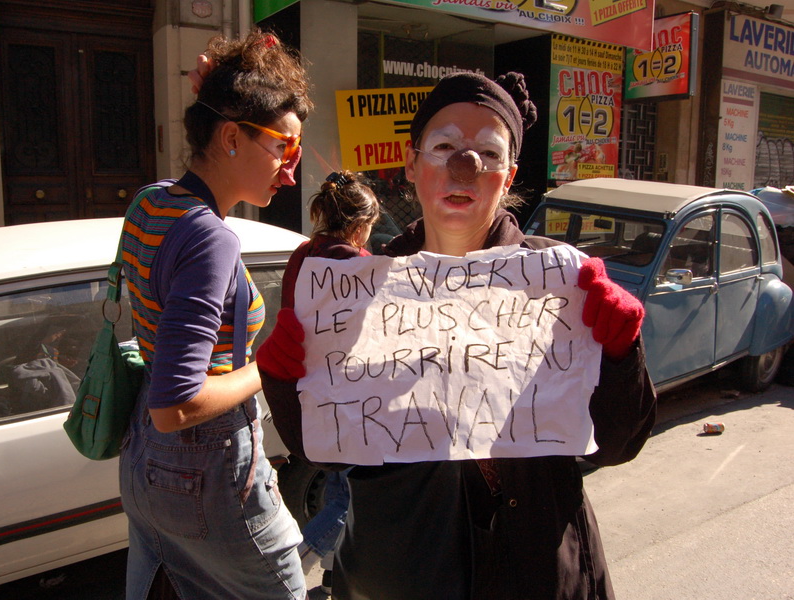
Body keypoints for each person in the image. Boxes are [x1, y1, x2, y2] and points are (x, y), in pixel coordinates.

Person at [256, 71, 657, 600]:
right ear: (412, 162)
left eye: (488, 155)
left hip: (539, 573)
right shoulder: (361, 291)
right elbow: (327, 450)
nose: (464, 166)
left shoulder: (562, 284)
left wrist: (620, 351)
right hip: (407, 572)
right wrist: (285, 378)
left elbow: (617, 445)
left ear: (509, 176)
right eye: (444, 146)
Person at [118, 29, 313, 599]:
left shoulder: (150, 200)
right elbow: (175, 407)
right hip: (202, 474)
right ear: (230, 136)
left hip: (143, 468)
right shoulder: (211, 239)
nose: (290, 171)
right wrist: (269, 364)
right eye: (284, 147)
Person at [281, 170, 380, 594]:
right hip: (350, 396)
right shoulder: (355, 264)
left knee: (344, 490)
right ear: (359, 225)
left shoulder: (304, 253)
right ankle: (290, 572)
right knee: (346, 497)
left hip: (309, 388)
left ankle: (331, 578)